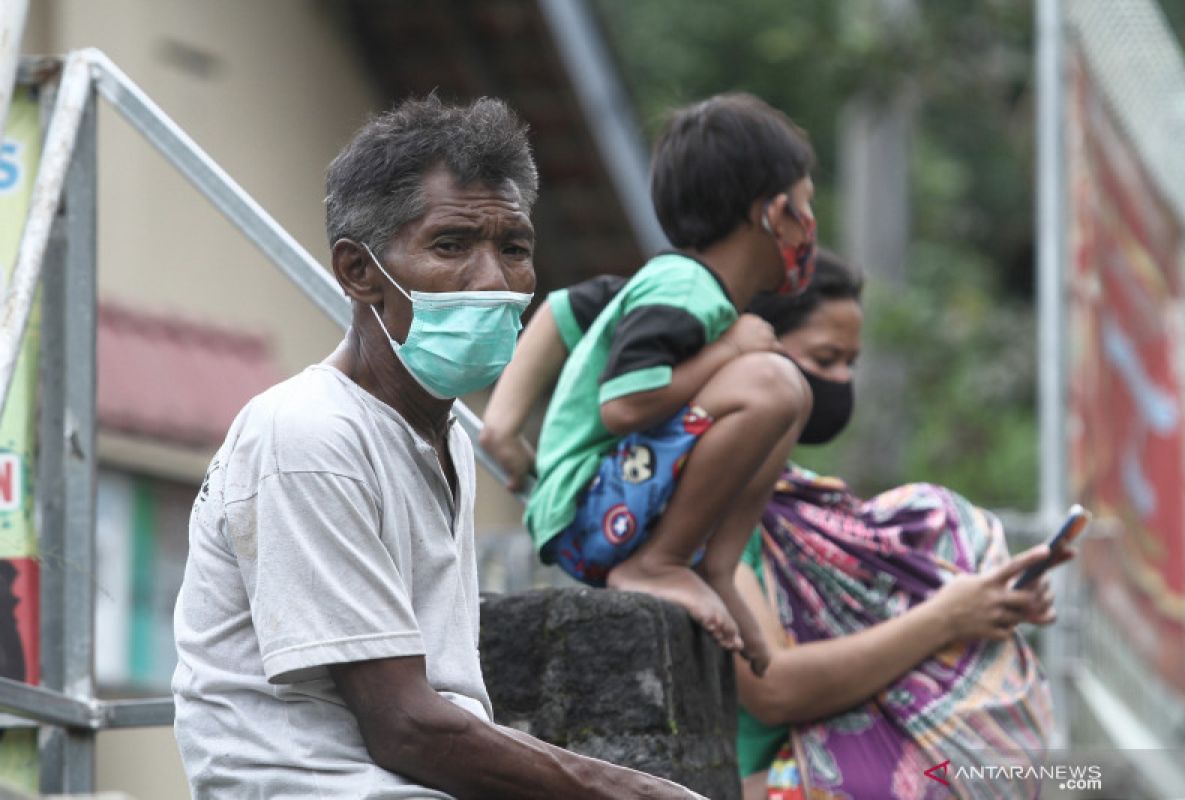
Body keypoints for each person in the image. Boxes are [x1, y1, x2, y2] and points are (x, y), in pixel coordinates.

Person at [172, 96, 705, 799]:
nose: (493, 281)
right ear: (360, 273)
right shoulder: (307, 435)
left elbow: (441, 711)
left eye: (513, 248)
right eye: (452, 246)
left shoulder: (442, 436)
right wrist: (637, 792)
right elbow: (406, 726)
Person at [735, 251, 1067, 800]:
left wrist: (991, 604)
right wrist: (947, 616)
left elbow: (877, 636)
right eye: (825, 357)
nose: (839, 381)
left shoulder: (808, 504)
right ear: (759, 349)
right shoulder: (718, 513)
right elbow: (775, 690)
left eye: (850, 363)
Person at [511, 93, 818, 674]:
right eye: (804, 206)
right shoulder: (683, 288)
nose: (809, 227)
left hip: (617, 496)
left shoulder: (697, 293)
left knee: (790, 393)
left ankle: (716, 568)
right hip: (586, 505)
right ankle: (660, 561)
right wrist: (729, 351)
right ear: (772, 213)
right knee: (772, 382)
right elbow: (625, 403)